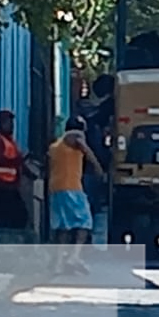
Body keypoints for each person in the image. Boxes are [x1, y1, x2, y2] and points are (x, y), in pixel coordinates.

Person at [48, 115, 104, 274]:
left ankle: (59, 263)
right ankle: (74, 256)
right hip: (72, 188)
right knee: (85, 222)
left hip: (55, 189)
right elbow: (78, 139)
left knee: (63, 227)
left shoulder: (56, 146)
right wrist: (97, 166)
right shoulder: (74, 137)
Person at [0, 110, 30, 230]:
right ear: (1, 123)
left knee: (19, 216)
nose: (11, 125)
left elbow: (18, 160)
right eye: (8, 122)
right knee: (4, 218)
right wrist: (17, 159)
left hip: (10, 186)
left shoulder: (10, 141)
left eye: (11, 122)